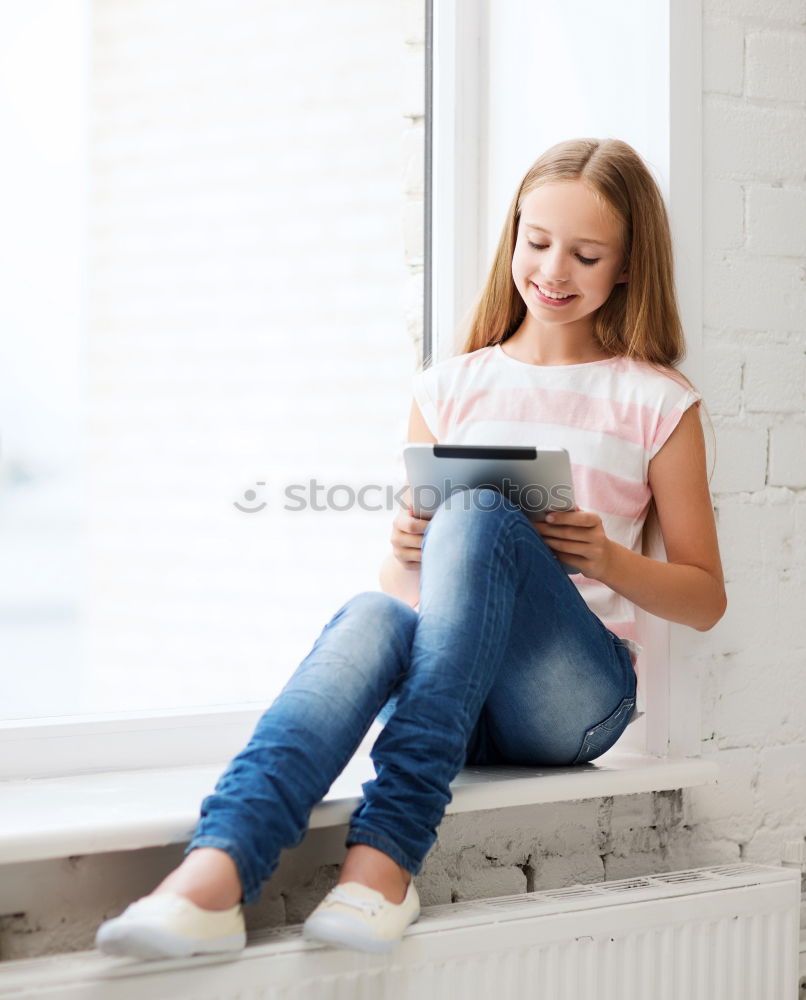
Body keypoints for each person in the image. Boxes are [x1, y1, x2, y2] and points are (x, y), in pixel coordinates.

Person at [95, 137, 726, 961]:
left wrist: (606, 558)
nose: (553, 270)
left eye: (586, 253)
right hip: (453, 699)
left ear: (627, 268)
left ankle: (387, 857)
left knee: (479, 518)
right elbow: (405, 587)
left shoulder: (657, 400)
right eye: (535, 242)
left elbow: (705, 597)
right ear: (512, 240)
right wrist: (403, 548)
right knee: (369, 611)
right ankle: (211, 878)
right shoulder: (448, 388)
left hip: (569, 702)